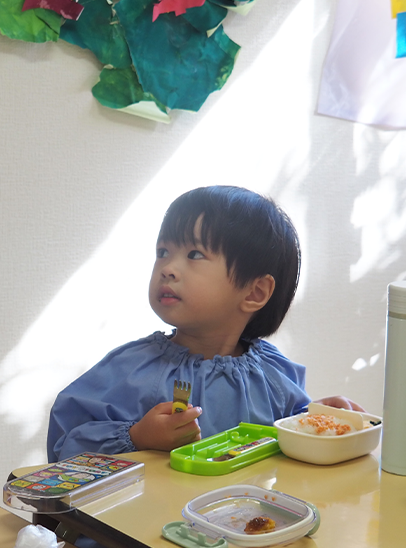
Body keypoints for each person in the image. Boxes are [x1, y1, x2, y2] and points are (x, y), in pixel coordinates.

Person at [48, 185, 363, 463]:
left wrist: (319, 419)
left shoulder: (273, 375)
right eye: (163, 252)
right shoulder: (130, 369)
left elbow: (287, 439)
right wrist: (137, 437)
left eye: (194, 254)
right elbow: (65, 450)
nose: (168, 268)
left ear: (254, 292)